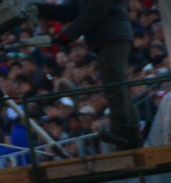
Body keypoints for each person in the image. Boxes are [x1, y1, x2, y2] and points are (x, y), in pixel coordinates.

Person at [36, 0, 141, 148]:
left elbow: (94, 11)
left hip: (111, 37)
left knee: (115, 86)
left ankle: (124, 132)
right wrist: (43, 10)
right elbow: (74, 10)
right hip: (109, 37)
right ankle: (129, 133)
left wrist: (65, 37)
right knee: (115, 86)